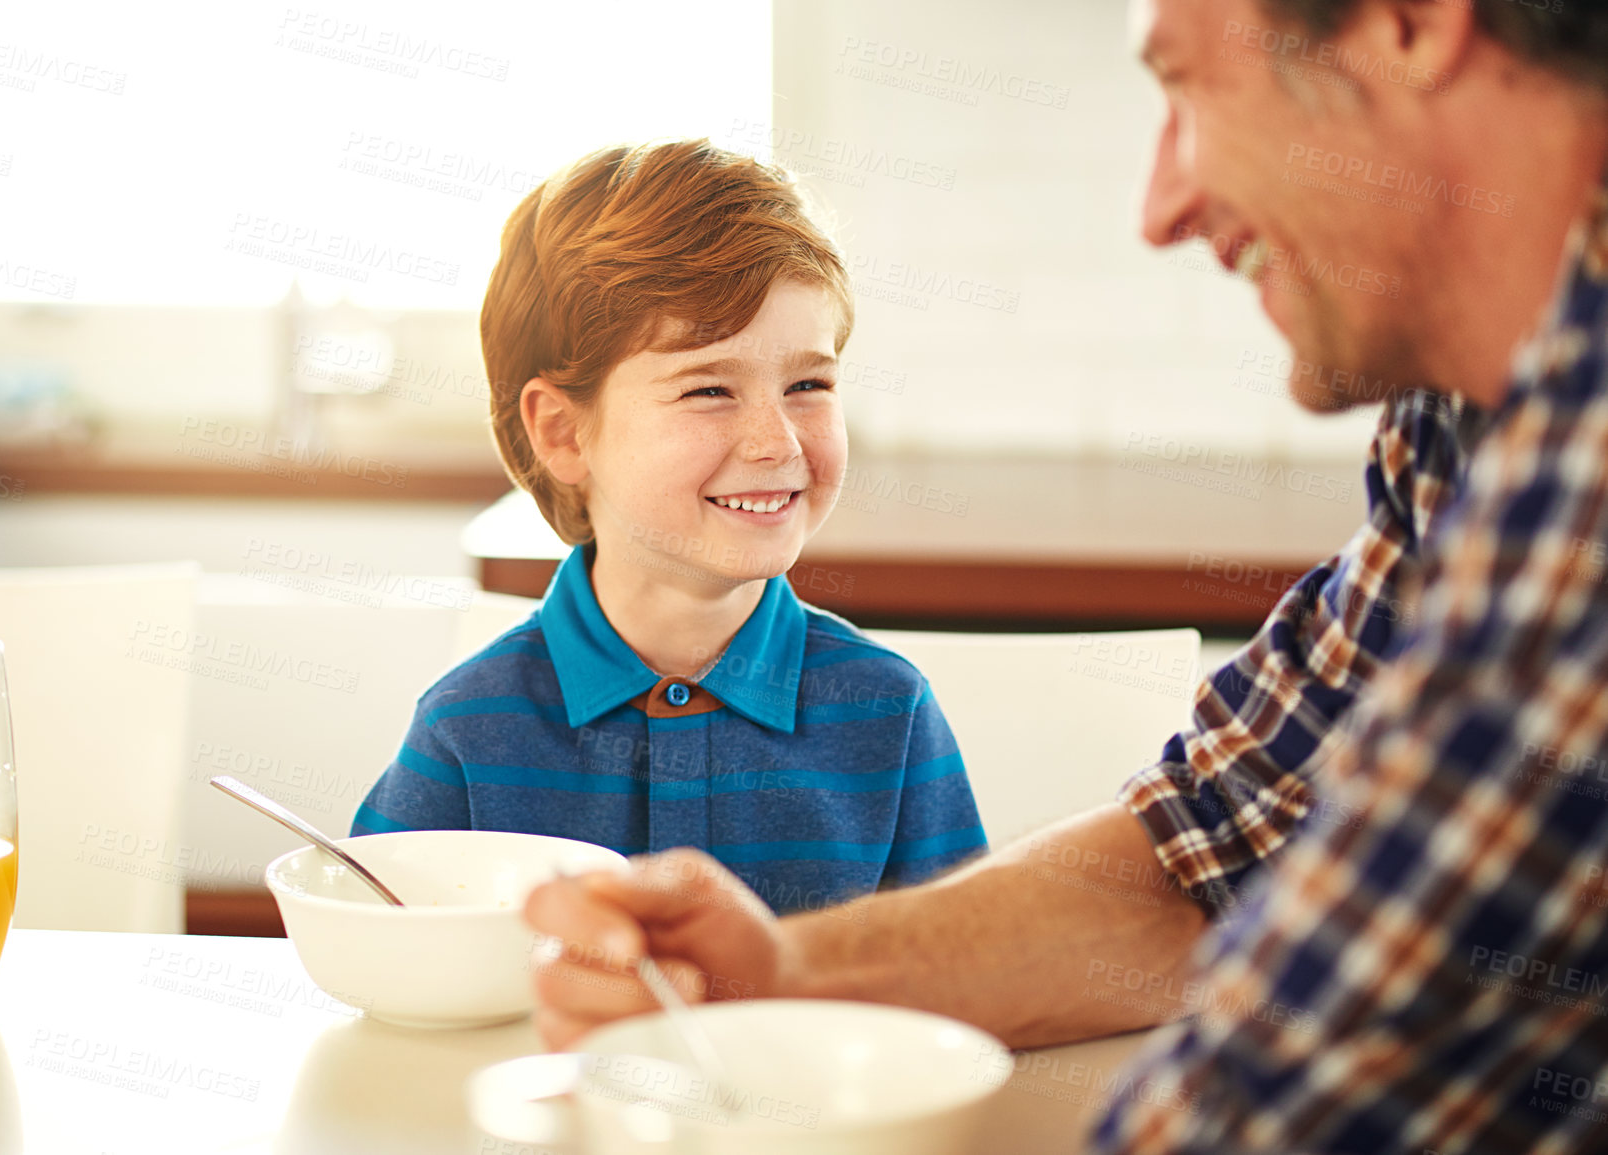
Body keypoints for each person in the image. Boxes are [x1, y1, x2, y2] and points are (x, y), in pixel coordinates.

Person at [523, 2, 1608, 1151]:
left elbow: (1307, 1106)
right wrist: (782, 972)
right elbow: (1212, 853)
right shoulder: (1463, 424)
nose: (1161, 208)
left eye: (1189, 88)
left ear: (1410, 24)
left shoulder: (1581, 459)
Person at [352, 140, 987, 917]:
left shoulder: (889, 714)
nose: (778, 443)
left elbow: (958, 988)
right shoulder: (467, 728)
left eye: (808, 384)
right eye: (710, 389)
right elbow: (387, 965)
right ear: (561, 433)